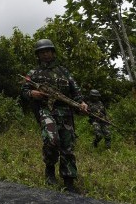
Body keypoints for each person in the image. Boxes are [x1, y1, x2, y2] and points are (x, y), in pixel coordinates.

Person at [21, 39, 87, 193]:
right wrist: (32, 93)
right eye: (42, 52)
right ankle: (49, 168)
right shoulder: (33, 73)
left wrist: (82, 103)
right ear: (38, 55)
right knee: (52, 140)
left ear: (53, 52)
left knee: (67, 146)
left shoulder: (64, 72)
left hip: (65, 112)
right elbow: (23, 91)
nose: (45, 54)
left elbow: (75, 91)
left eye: (48, 51)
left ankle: (69, 180)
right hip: (46, 110)